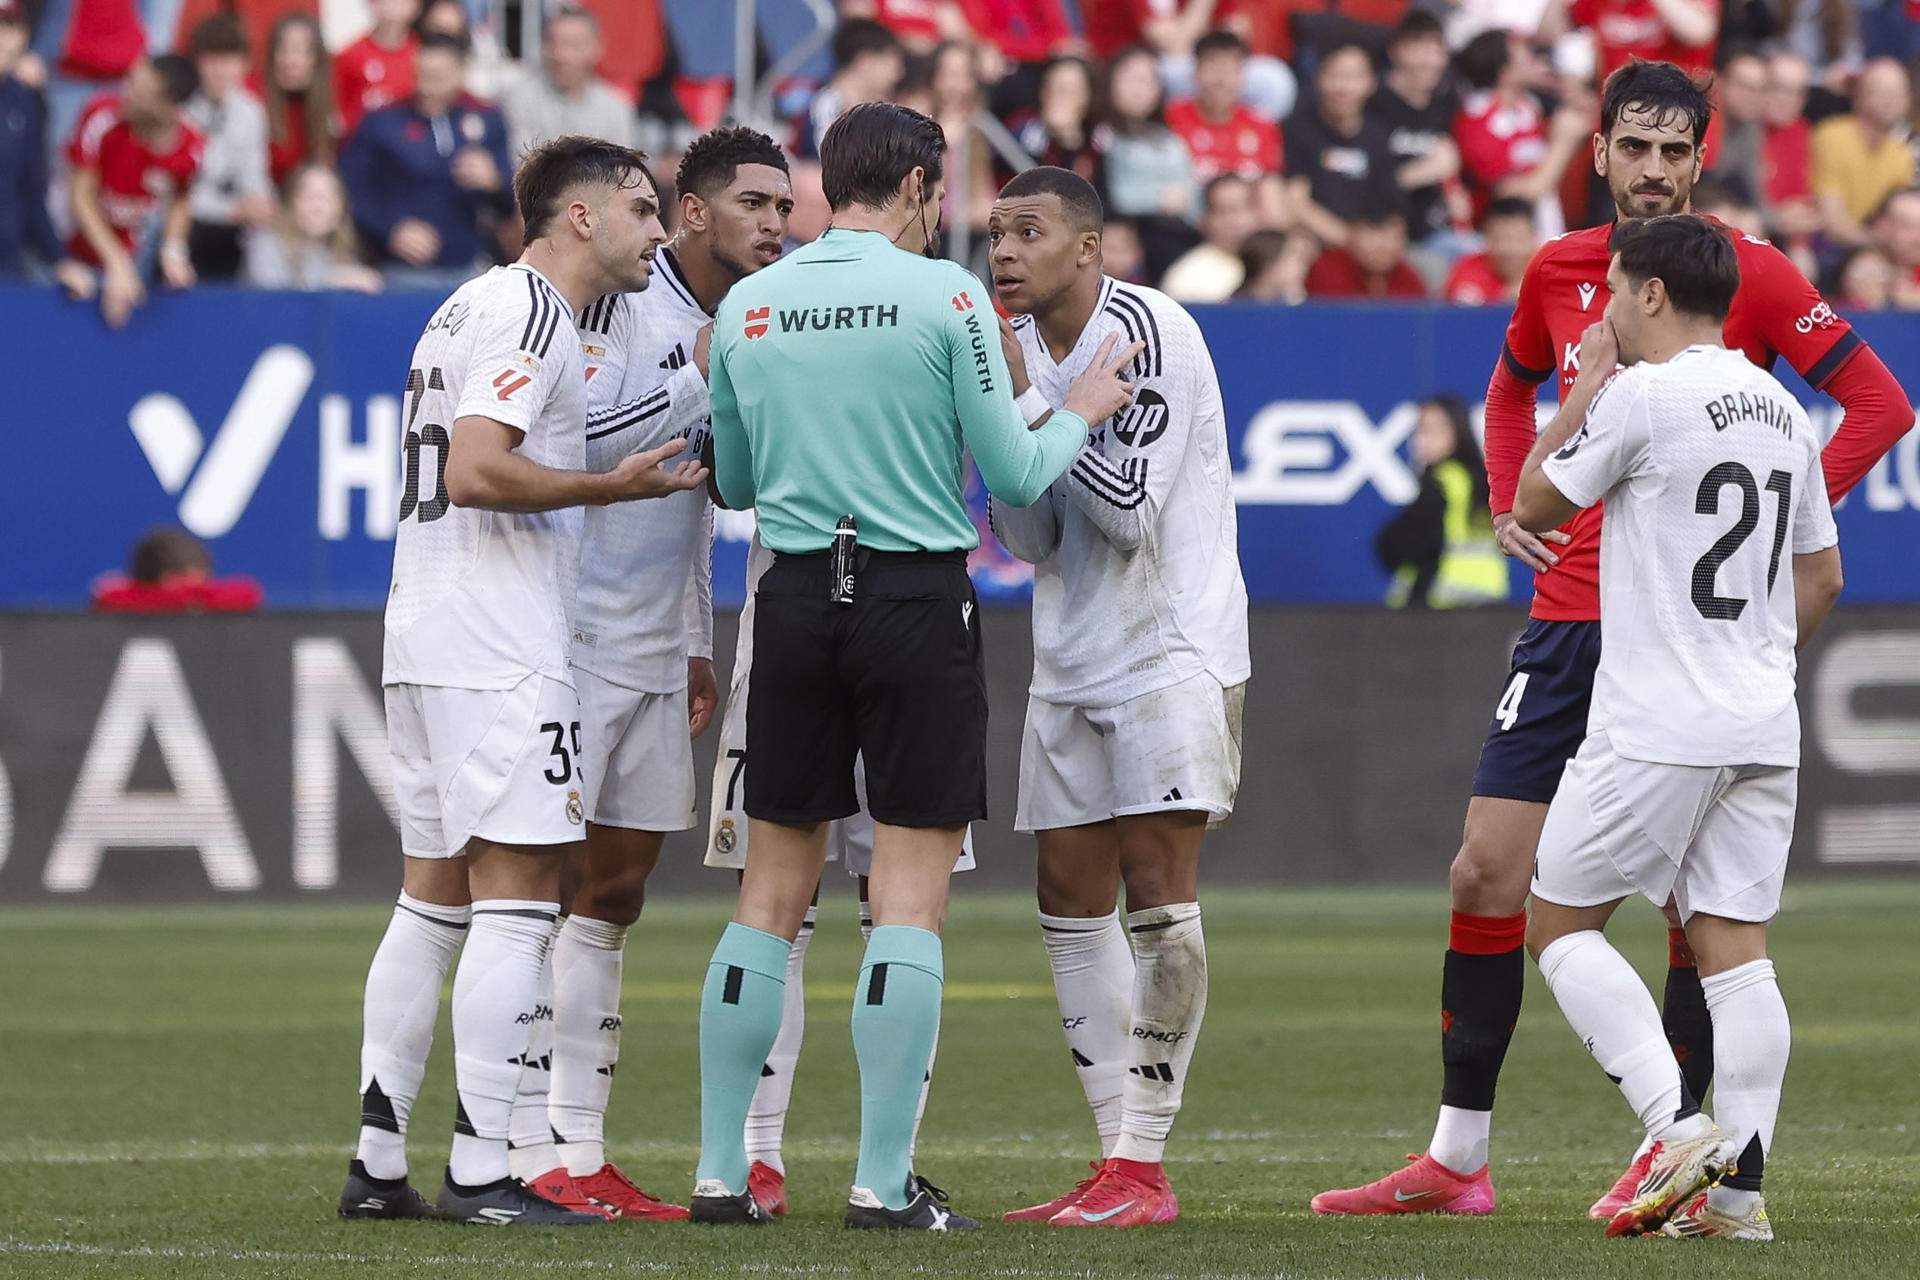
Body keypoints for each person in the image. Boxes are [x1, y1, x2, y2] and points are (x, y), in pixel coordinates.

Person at [1311, 58, 1915, 1222]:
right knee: (1486, 869)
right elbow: (1507, 393)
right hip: (1569, 626)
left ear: (1700, 158)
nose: (1650, 169)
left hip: (1676, 635)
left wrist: (1784, 531)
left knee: (1695, 920)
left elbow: (1883, 403)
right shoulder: (1555, 270)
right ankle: (1460, 1154)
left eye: (1672, 150)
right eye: (1631, 146)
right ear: (1598, 152)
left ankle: (1682, 1151)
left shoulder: (1744, 272)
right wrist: (1503, 504)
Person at [692, 101, 1138, 1231]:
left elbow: (733, 485)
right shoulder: (946, 297)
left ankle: (717, 1174)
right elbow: (1019, 470)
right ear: (925, 187)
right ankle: (881, 1182)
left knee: (767, 898)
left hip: (790, 596)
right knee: (906, 899)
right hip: (909, 595)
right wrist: (1081, 406)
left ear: (822, 188)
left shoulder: (748, 302)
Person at [339, 134, 707, 1227]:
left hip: (426, 631)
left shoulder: (463, 305)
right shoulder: (537, 311)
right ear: (581, 216)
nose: (659, 231)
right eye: (643, 210)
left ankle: (377, 1160)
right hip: (498, 644)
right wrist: (607, 487)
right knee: (521, 896)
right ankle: (486, 1169)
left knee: (431, 896)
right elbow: (479, 464)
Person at [1513, 213, 1843, 1241]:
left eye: (1614, 291)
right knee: (1738, 955)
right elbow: (1822, 574)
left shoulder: (1644, 396)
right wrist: (1753, 666)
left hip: (1658, 719)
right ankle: (1739, 1205)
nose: (1604, 310)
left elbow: (1535, 500)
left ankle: (1672, 1125)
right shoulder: (1786, 411)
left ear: (1652, 294)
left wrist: (1578, 395)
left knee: (1558, 923)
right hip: (1761, 716)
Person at [512, 126, 793, 1222]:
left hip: (652, 638)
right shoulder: (613, 300)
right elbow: (576, 455)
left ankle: (583, 1148)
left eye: (786, 205)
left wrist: (693, 639)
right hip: (566, 636)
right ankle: (524, 1139)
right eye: (757, 203)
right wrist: (699, 371)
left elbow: (705, 496)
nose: (777, 223)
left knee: (617, 895)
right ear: (690, 213)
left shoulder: (747, 322)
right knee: (539, 892)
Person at [986, 164, 1249, 1231]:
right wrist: (1019, 412)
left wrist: (1037, 404)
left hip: (1170, 648)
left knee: (1156, 887)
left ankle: (1143, 1160)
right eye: (996, 232)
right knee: (1065, 892)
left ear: (1087, 248)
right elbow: (1032, 533)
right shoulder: (1022, 354)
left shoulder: (1151, 333)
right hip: (1072, 647)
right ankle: (1111, 1158)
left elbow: (1132, 511)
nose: (1003, 249)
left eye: (1029, 231)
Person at [340, 33, 513, 276]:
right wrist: (390, 230)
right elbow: (349, 191)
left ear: (460, 73)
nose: (426, 87)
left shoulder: (487, 119)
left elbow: (510, 204)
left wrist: (493, 181)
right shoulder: (383, 121)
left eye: (438, 77)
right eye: (421, 75)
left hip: (471, 268)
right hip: (399, 269)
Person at [55, 54, 202, 330]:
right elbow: (80, 197)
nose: (125, 92)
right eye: (130, 81)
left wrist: (174, 251)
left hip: (134, 253)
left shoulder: (191, 145)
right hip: (69, 248)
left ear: (168, 106)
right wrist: (117, 264)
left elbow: (181, 198)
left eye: (139, 91)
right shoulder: (102, 117)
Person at [1452, 31, 1588, 239]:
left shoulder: (1531, 107)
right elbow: (1514, 194)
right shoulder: (1476, 119)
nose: (1534, 57)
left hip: (1548, 229)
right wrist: (1564, 143)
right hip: (1504, 241)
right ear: (1505, 72)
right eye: (1524, 53)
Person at [1373, 396, 1506, 608]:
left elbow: (1418, 542)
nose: (1423, 440)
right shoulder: (1482, 481)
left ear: (1457, 433)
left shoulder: (1442, 480)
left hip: (1443, 603)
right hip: (1488, 599)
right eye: (1420, 430)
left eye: (1433, 431)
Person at [1283, 43, 1400, 250]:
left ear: (1371, 82)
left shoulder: (1378, 136)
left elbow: (1390, 204)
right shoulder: (1297, 129)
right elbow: (1295, 201)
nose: (1344, 87)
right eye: (1336, 75)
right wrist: (1349, 242)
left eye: (1354, 77)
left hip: (1369, 245)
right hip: (1315, 241)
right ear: (1319, 78)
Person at [1094, 47, 1198, 279]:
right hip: (1127, 238)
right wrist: (1159, 201)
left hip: (1179, 234)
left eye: (1149, 80)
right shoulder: (1100, 136)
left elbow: (1191, 194)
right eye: (1132, 78)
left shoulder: (1170, 139)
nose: (1140, 88)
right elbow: (1112, 195)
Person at [183, 15, 272, 281]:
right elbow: (172, 192)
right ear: (197, 63)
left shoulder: (250, 110)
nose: (221, 71)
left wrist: (258, 204)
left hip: (228, 216)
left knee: (267, 233)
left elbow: (254, 175)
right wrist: (229, 210)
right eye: (212, 60)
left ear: (244, 65)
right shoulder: (179, 108)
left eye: (230, 60)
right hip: (183, 217)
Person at [1164, 31, 1284, 227]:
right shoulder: (1170, 119)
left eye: (1231, 70)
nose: (1221, 80)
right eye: (1212, 68)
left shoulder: (1263, 126)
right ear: (1195, 72)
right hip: (1185, 231)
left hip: (1248, 236)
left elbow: (1271, 200)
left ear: (1243, 75)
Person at [1371, 11, 1465, 248]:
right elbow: (1362, 182)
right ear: (1395, 51)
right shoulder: (1372, 104)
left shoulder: (1447, 105)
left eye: (1437, 50)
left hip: (1439, 229)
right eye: (1419, 49)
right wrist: (1424, 171)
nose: (1430, 61)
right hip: (1385, 235)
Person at [500, 6, 637, 160]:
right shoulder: (520, 98)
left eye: (573, 45)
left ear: (597, 48)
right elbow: (522, 165)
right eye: (552, 42)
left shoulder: (616, 107)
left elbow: (625, 171)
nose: (560, 54)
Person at [1811, 58, 1914, 249]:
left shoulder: (1902, 153)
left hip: (1873, 248)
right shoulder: (1832, 135)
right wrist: (1880, 245)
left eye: (1898, 93)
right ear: (1859, 95)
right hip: (1824, 247)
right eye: (1882, 92)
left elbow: (1898, 223)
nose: (1891, 100)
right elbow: (1832, 222)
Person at [243, 161, 383, 292]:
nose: (317, 207)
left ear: (340, 210)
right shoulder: (264, 244)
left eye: (326, 198)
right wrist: (332, 279)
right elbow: (270, 298)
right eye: (308, 196)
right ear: (290, 203)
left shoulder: (343, 253)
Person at [0, 0, 59, 279]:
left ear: (23, 36)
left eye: (7, 26)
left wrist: (60, 258)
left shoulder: (25, 101)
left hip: (8, 263)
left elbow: (32, 189)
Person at [91, 526, 263, 613]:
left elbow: (248, 592)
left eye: (200, 581)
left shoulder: (219, 600)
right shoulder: (120, 602)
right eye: (180, 578)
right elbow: (108, 596)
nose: (192, 588)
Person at [801, 19, 904, 158]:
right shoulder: (824, 104)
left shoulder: (882, 112)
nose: (898, 75)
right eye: (892, 65)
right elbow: (825, 159)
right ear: (865, 62)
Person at [256, 14, 336, 188]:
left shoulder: (330, 100)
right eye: (282, 49)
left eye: (299, 51)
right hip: (264, 199)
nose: (289, 60)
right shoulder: (253, 99)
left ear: (316, 59)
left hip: (306, 201)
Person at [1160, 172, 1255, 301]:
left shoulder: (1280, 265)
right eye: (1224, 211)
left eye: (1245, 207)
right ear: (1205, 219)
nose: (1237, 221)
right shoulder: (1187, 278)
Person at [1303, 202, 1428, 299]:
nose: (1381, 247)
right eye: (1372, 236)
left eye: (1391, 237)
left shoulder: (1408, 278)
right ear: (1353, 235)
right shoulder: (1326, 270)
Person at [333, 0, 418, 137]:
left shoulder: (423, 53)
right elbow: (338, 112)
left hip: (411, 146)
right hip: (362, 145)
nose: (392, 6)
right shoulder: (350, 55)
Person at [1444, 196, 1537, 304]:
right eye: (1500, 239)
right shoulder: (1467, 271)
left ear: (1533, 238)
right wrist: (1505, 298)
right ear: (1486, 238)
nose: (1510, 249)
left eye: (1518, 239)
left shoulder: (1551, 272)